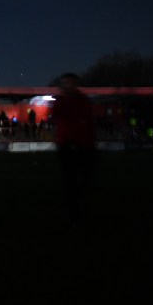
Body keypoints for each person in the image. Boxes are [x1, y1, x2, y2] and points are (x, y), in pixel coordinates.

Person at [51, 73, 96, 224]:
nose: (68, 86)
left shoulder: (83, 100)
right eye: (66, 83)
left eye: (71, 83)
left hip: (84, 144)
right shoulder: (60, 101)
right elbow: (59, 116)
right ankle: (73, 209)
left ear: (76, 84)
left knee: (84, 178)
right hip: (66, 144)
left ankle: (82, 207)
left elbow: (88, 120)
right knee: (69, 178)